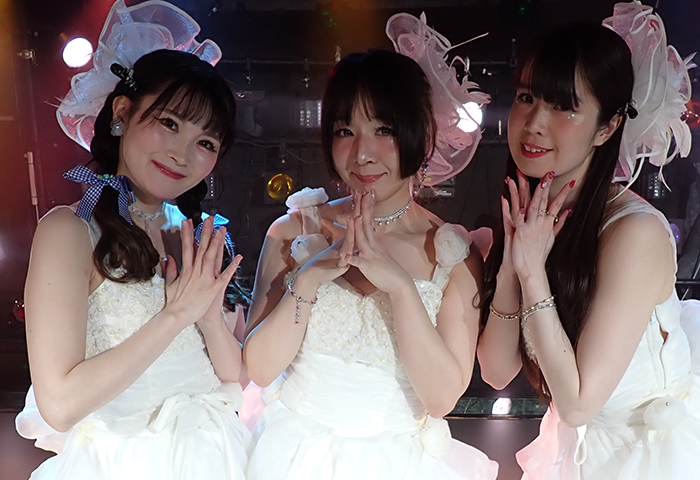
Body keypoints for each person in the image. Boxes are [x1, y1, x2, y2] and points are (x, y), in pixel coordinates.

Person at [242, 13, 497, 480]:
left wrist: (400, 286)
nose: (362, 153)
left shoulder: (451, 254)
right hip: (292, 457)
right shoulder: (293, 230)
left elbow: (442, 397)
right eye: (345, 131)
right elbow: (258, 368)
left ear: (420, 135)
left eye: (383, 130)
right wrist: (310, 277)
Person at [15, 1, 250, 479]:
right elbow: (59, 406)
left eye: (206, 142)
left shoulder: (196, 233)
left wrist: (208, 319)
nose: (183, 153)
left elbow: (236, 377)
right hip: (123, 462)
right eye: (169, 123)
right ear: (122, 113)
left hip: (216, 454)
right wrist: (175, 315)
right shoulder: (70, 230)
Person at [477, 2, 700, 479]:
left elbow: (578, 404)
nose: (534, 122)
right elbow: (496, 372)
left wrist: (533, 273)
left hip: (643, 454)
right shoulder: (532, 221)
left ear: (608, 127)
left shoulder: (634, 233)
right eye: (526, 97)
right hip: (576, 450)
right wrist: (514, 264)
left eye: (564, 106)